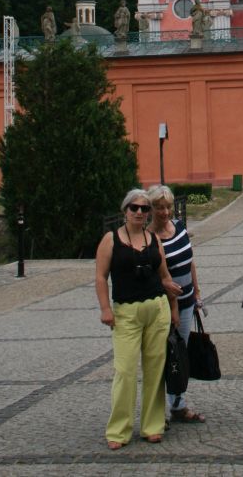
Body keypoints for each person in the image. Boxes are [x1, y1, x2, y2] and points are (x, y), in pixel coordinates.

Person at [95, 189, 181, 449]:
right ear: (125, 210)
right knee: (125, 371)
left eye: (145, 208)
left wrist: (174, 306)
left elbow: (164, 276)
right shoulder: (111, 239)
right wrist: (105, 309)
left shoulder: (153, 239)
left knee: (155, 370)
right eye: (135, 208)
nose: (140, 212)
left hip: (156, 309)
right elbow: (100, 277)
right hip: (126, 312)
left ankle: (152, 425)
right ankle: (119, 430)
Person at [148, 184, 206, 424]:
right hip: (165, 307)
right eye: (159, 207)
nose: (164, 212)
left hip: (187, 302)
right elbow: (153, 275)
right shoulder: (149, 238)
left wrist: (197, 293)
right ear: (151, 209)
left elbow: (190, 261)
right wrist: (171, 303)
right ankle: (157, 413)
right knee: (162, 357)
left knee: (179, 356)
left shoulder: (179, 227)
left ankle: (178, 405)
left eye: (168, 207)